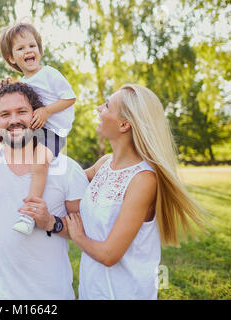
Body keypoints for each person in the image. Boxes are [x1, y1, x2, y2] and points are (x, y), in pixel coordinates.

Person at [66, 84, 206, 300]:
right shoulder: (103, 164)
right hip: (92, 291)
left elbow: (109, 254)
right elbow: (65, 181)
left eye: (107, 105)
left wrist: (77, 236)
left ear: (124, 124)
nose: (98, 108)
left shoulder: (143, 180)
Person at [0, 79, 88, 300]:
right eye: (5, 114)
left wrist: (51, 222)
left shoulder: (67, 169)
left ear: (35, 115)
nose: (14, 120)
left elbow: (87, 230)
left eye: (22, 112)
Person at [0, 22, 77, 236]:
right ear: (12, 58)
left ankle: (29, 213)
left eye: (32, 46)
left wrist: (47, 111)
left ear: (40, 51)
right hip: (37, 129)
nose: (28, 51)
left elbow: (70, 98)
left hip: (54, 132)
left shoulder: (50, 73)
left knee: (40, 163)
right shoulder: (24, 84)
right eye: (21, 48)